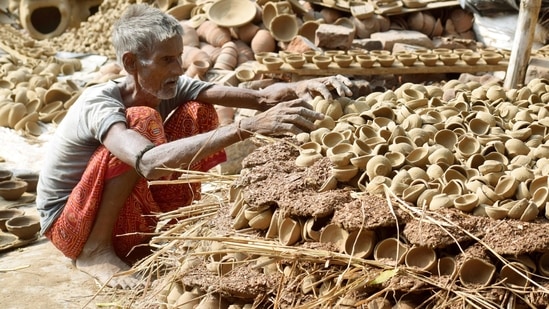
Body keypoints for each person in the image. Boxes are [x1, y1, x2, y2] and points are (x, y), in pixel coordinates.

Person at [36, 3, 354, 289]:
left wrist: (304, 85)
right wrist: (246, 127)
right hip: (70, 224)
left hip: (117, 214)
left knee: (199, 111)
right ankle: (96, 252)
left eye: (179, 58)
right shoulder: (101, 103)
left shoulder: (168, 84)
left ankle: (175, 229)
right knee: (142, 120)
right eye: (165, 60)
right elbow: (146, 161)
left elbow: (260, 98)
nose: (177, 69)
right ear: (131, 63)